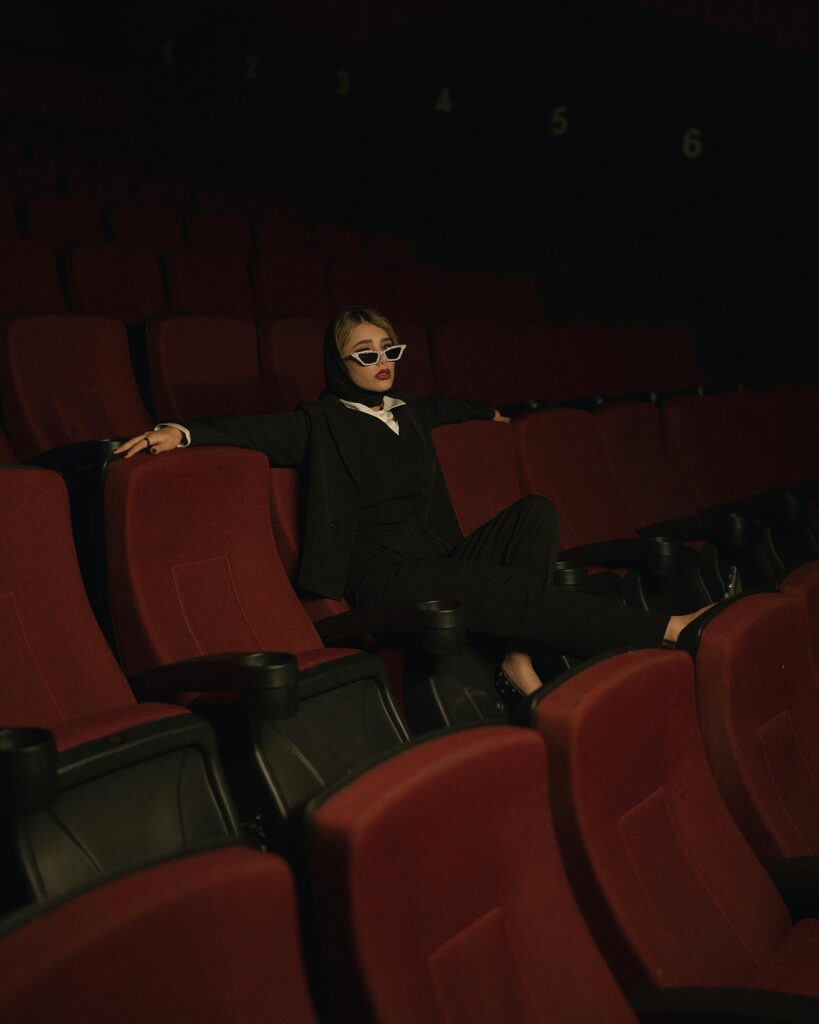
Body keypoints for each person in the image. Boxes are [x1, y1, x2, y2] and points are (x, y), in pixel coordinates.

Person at [115, 305, 711, 701]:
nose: (381, 365)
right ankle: (666, 629)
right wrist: (181, 431)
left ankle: (514, 652)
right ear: (339, 363)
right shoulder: (319, 422)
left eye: (389, 351)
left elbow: (450, 406)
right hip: (383, 573)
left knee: (537, 513)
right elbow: (253, 429)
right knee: (507, 588)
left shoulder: (410, 411)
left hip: (440, 556)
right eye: (365, 354)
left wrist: (488, 413)